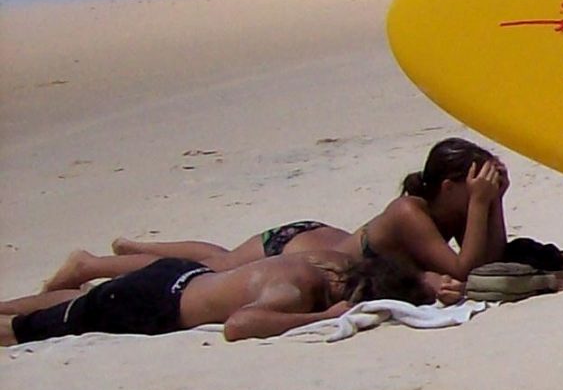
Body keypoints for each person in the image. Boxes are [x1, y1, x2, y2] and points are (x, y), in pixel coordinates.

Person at [65, 138, 511, 297]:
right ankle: (92, 265)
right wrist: (480, 205)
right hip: (297, 250)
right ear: (450, 188)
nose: (481, 191)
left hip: (325, 242)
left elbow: (490, 260)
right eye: (475, 184)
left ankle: (136, 248)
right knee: (214, 269)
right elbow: (464, 269)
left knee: (220, 259)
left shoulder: (453, 208)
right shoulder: (408, 212)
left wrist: (496, 203)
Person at [3, 250, 430, 346]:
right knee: (30, 330)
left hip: (181, 275)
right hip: (157, 302)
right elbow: (239, 325)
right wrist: (320, 318)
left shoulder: (319, 264)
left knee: (70, 306)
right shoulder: (298, 291)